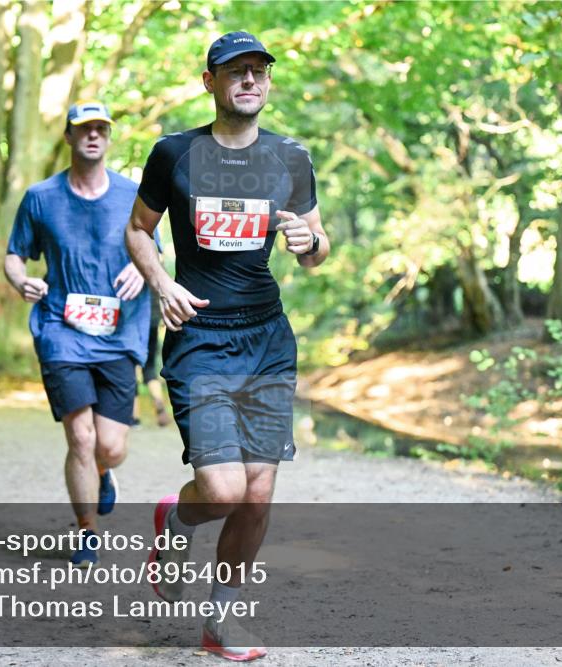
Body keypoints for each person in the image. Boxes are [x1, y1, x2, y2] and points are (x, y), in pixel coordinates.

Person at [126, 31, 329, 661]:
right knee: (222, 491)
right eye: (235, 71)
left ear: (267, 84)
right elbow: (138, 230)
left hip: (267, 336)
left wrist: (307, 243)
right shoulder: (174, 154)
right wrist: (161, 282)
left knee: (260, 492)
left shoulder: (290, 158)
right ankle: (175, 519)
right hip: (200, 339)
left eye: (258, 72)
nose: (249, 80)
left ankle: (222, 620)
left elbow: (318, 248)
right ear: (209, 81)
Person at [4, 100, 151, 566]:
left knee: (110, 445)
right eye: (83, 129)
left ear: (109, 138)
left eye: (101, 129)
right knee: (81, 438)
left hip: (119, 331)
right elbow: (14, 255)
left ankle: (105, 472)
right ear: (68, 137)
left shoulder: (134, 194)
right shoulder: (41, 197)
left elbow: (153, 250)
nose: (92, 136)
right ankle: (87, 530)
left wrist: (144, 272)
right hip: (61, 329)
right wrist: (19, 279)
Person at [132, 291, 172, 427]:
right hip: (153, 321)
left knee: (131, 367)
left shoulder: (130, 270)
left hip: (134, 321)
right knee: (149, 367)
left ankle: (134, 417)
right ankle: (158, 400)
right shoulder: (157, 270)